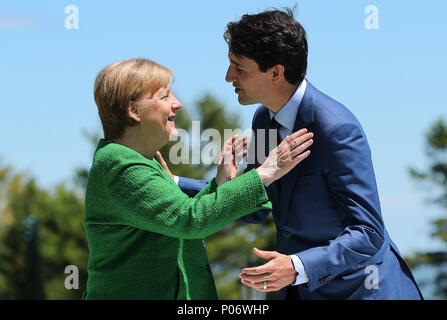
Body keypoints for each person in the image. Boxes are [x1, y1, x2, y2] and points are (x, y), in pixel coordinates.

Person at [176, 8, 423, 299]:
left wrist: (297, 266)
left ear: (276, 73)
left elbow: (369, 233)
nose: (229, 76)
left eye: (239, 67)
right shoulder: (262, 119)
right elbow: (257, 203)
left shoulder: (336, 128)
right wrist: (174, 183)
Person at [82, 58, 313, 299]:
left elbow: (180, 217)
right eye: (164, 97)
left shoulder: (142, 161)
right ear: (133, 110)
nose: (177, 104)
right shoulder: (120, 165)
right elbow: (189, 221)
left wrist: (220, 184)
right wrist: (266, 172)